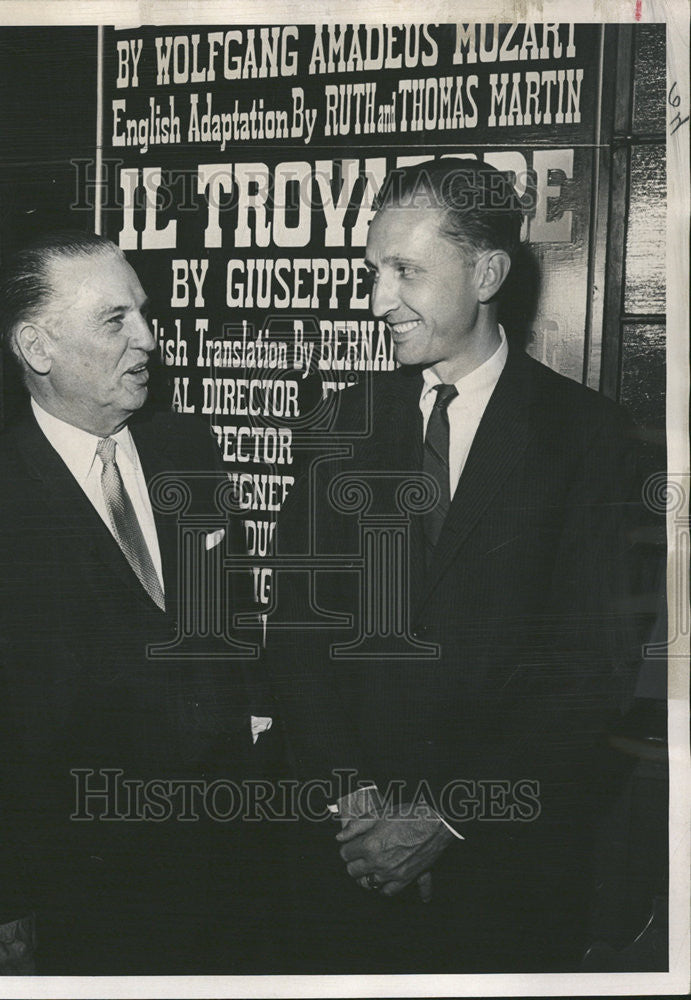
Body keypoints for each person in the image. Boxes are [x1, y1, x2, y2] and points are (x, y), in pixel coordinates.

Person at [268, 158, 656, 972]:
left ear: (485, 273)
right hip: (345, 859)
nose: (377, 300)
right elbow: (297, 638)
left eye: (405, 271)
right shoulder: (334, 426)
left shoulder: (591, 439)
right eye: (373, 271)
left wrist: (441, 819)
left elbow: (589, 675)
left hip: (507, 869)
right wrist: (358, 802)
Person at [0, 232, 276, 974]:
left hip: (230, 874)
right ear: (36, 347)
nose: (149, 339)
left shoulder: (187, 448)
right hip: (76, 893)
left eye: (142, 313)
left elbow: (229, 638)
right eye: (115, 320)